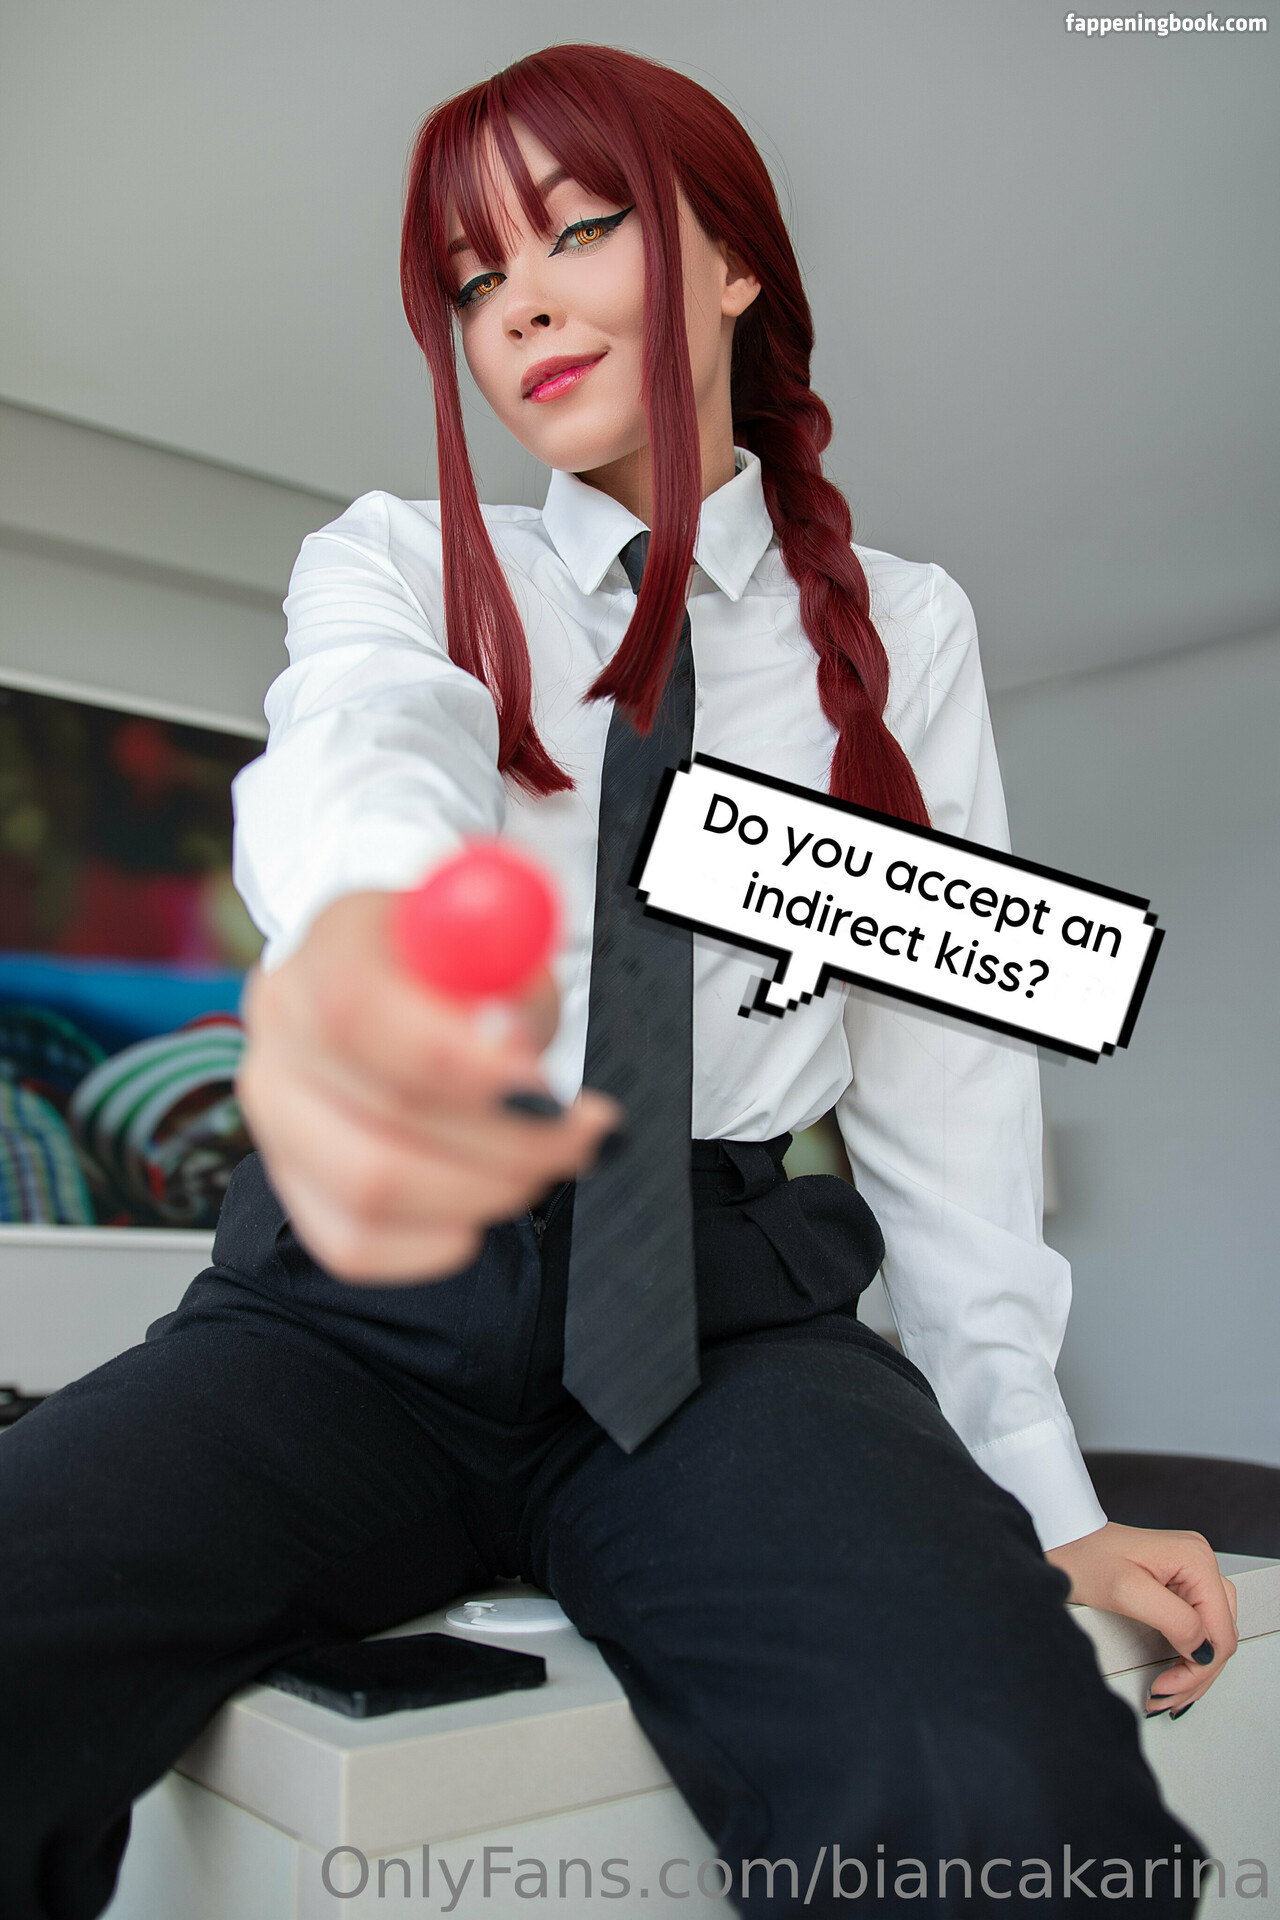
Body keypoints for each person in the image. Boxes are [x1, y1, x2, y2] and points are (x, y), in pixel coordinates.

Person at [0, 43, 1239, 1920]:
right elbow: (367, 746)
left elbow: (947, 1078)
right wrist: (383, 947)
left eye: (581, 231)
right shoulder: (403, 561)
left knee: (996, 1787)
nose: (521, 308)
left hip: (729, 1335)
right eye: (474, 280)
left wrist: (1043, 1495)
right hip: (351, 1324)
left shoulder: (905, 630)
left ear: (732, 262)